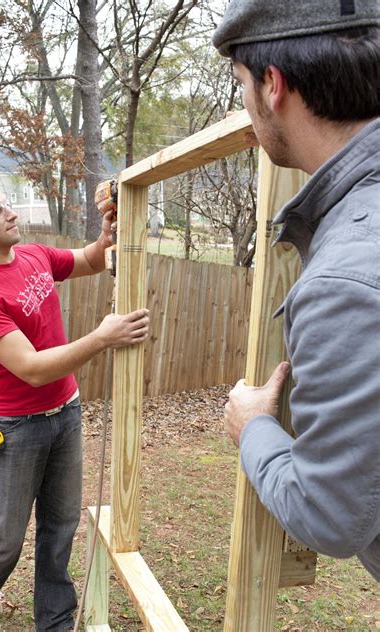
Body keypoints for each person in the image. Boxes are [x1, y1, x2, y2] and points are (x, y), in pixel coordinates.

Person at [212, 0, 379, 580]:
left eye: (242, 85)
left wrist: (253, 428)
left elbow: (329, 514)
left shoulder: (346, 279)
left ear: (273, 85)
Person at [0, 174, 150, 629]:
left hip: (66, 413)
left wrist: (106, 235)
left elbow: (92, 260)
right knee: (6, 537)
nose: (11, 212)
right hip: (15, 428)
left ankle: (54, 621)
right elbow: (33, 368)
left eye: (7, 204)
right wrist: (101, 337)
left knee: (60, 528)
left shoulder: (35, 256)